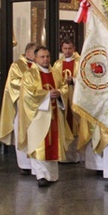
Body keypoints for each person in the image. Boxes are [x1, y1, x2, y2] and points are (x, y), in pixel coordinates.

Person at [18, 45, 74, 187]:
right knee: (38, 144)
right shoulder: (29, 74)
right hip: (37, 116)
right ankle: (40, 175)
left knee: (52, 144)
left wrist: (60, 93)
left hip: (54, 114)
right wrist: (47, 95)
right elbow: (28, 95)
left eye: (47, 56)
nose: (45, 59)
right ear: (35, 58)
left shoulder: (55, 73)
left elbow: (64, 87)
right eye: (42, 57)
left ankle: (52, 175)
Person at [0, 42, 37, 174]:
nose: (38, 55)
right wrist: (32, 87)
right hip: (21, 106)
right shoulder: (17, 66)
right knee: (22, 133)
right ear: (28, 53)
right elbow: (13, 83)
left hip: (37, 106)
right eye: (35, 52)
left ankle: (37, 165)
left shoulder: (40, 65)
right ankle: (25, 165)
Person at [53, 40, 84, 163]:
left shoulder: (81, 62)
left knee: (77, 124)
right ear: (62, 48)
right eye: (65, 48)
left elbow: (85, 79)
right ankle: (64, 156)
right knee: (64, 123)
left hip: (77, 99)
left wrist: (74, 80)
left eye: (70, 48)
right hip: (63, 99)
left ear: (74, 48)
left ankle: (78, 156)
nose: (67, 51)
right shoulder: (57, 64)